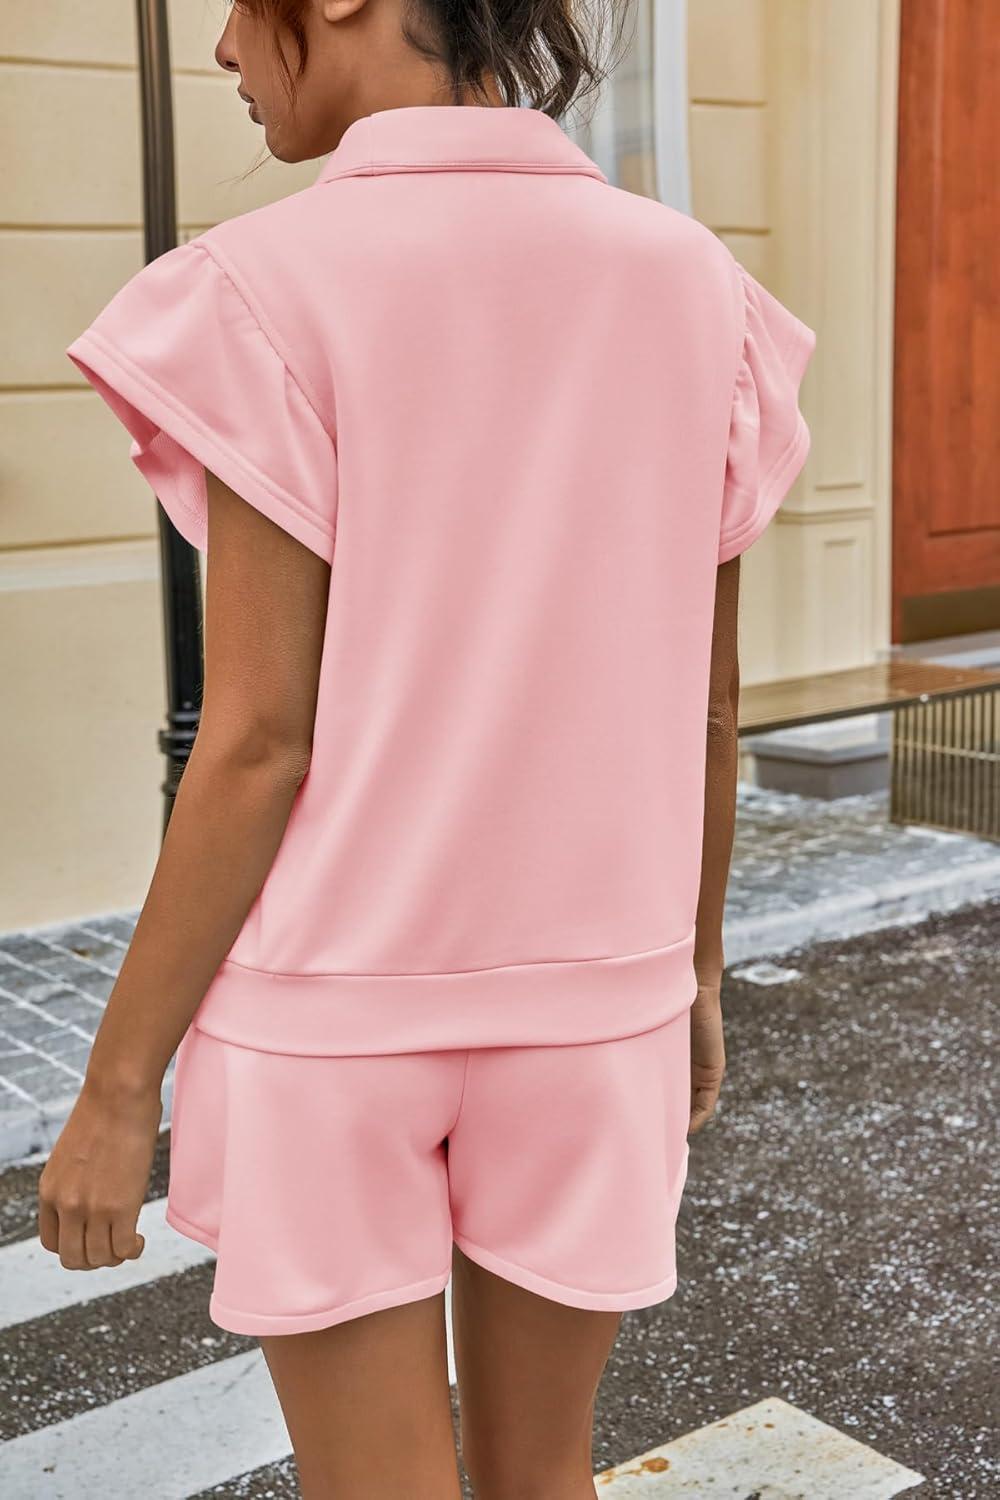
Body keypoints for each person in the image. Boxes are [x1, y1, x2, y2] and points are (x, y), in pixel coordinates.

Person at [38, 0, 814, 1495]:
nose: (220, 49)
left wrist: (119, 1085)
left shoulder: (264, 288)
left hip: (332, 1018)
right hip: (595, 1005)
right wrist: (698, 974)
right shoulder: (694, 287)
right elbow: (707, 708)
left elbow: (258, 739)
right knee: (545, 1475)